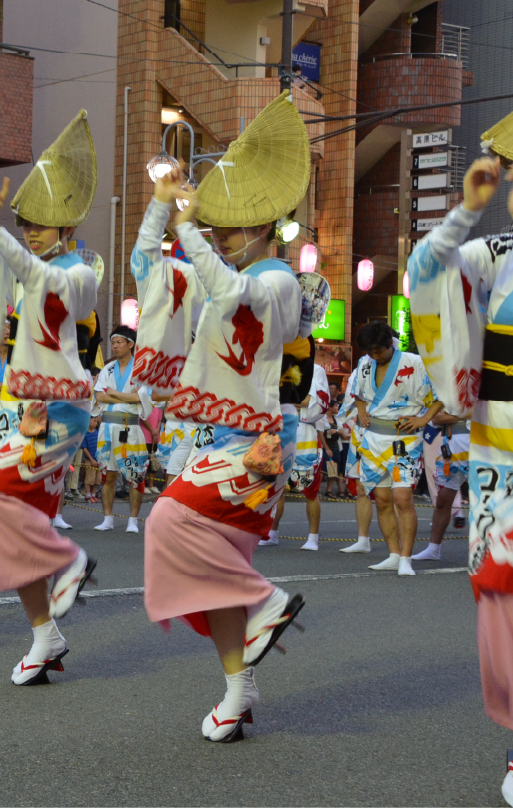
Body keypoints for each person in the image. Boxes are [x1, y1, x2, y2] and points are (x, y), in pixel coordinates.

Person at [133, 92, 311, 742]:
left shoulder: (277, 280)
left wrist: (185, 228)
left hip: (254, 445)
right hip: (217, 440)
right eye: (221, 225)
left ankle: (268, 600)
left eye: (233, 225)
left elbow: (234, 291)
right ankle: (238, 690)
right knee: (212, 579)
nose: (223, 232)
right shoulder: (220, 276)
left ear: (264, 224)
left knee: (167, 522)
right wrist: (161, 207)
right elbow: (148, 271)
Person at [406, 123, 513, 805]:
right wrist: (467, 207)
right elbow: (429, 274)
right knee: (508, 596)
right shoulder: (499, 250)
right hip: (506, 456)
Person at [0, 115, 100, 684]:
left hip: (61, 411)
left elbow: (40, 277)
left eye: (42, 223)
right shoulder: (24, 264)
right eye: (26, 222)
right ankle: (45, 636)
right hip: (23, 410)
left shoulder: (80, 272)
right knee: (18, 524)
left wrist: (0, 233)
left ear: (69, 224)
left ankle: (68, 562)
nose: (32, 230)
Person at [342, 320, 442, 575]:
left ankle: (407, 558)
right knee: (383, 499)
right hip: (373, 437)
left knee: (403, 497)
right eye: (370, 352)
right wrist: (362, 412)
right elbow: (358, 394)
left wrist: (424, 418)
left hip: (403, 439)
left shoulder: (414, 363)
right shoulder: (366, 364)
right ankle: (394, 554)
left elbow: (441, 395)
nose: (374, 356)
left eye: (378, 351)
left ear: (390, 345)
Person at [262, 305, 332, 551]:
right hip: (277, 427)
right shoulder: (270, 361)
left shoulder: (317, 370)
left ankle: (313, 536)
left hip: (304, 432)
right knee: (274, 486)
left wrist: (287, 399)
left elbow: (316, 404)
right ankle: (271, 531)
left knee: (310, 489)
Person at [93, 325, 149, 532]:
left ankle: (133, 521)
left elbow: (141, 397)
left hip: (130, 427)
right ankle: (108, 518)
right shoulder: (108, 368)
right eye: (113, 343)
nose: (115, 346)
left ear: (130, 344)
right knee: (108, 475)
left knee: (135, 474)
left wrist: (114, 393)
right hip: (107, 426)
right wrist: (128, 396)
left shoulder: (140, 369)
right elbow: (99, 395)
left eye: (119, 342)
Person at [411, 409, 470, 561]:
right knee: (443, 499)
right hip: (451, 443)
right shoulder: (448, 391)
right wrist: (468, 414)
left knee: (485, 499)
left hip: (480, 443)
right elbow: (437, 418)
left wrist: (452, 416)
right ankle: (433, 549)